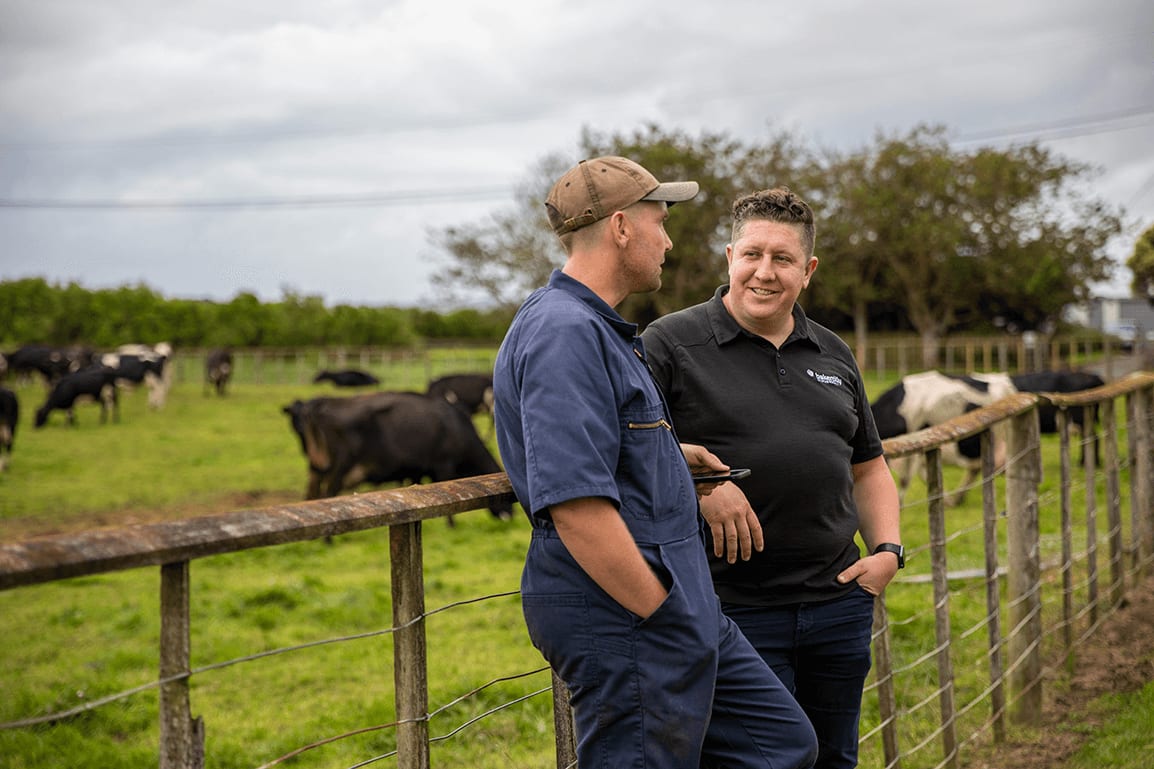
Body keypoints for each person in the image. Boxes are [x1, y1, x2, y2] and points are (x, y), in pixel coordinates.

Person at [493, 157, 818, 769]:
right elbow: (576, 505)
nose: (667, 240)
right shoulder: (564, 332)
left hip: (677, 603)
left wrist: (669, 456)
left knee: (780, 745)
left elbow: (607, 453)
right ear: (621, 227)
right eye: (659, 221)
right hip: (629, 611)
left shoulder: (601, 327)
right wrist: (661, 615)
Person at [641, 187, 902, 769]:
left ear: (807, 271)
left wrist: (887, 552)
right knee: (763, 760)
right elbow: (629, 445)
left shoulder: (831, 350)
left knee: (834, 758)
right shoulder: (669, 344)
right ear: (729, 257)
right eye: (752, 254)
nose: (765, 272)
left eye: (782, 259)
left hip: (838, 600)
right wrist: (701, 485)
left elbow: (869, 465)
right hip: (732, 608)